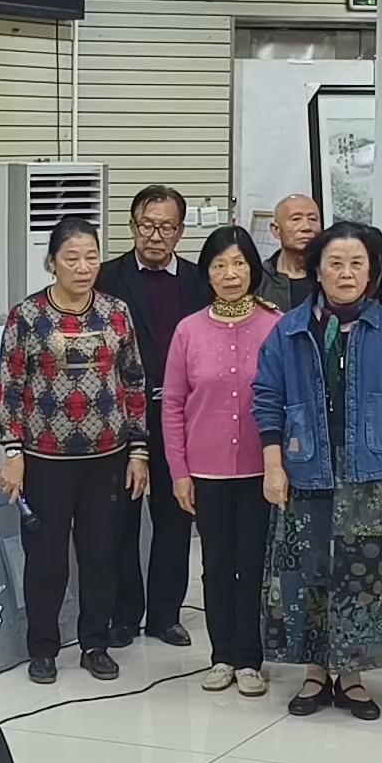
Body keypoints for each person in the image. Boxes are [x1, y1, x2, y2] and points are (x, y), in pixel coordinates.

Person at [255, 221, 382, 720]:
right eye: (335, 263)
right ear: (317, 270)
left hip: (368, 469)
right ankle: (315, 672)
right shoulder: (290, 329)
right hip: (305, 466)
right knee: (307, 573)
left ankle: (351, 676)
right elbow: (267, 398)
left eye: (356, 264)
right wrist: (273, 467)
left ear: (371, 272)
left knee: (363, 575)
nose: (346, 273)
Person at [0, 216, 151, 685]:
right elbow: (10, 386)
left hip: (107, 457)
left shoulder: (116, 312)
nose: (83, 267)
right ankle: (43, 649)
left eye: (91, 257)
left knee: (100, 555)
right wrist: (13, 450)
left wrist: (138, 450)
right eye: (72, 258)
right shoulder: (27, 316)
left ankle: (95, 643)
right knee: (46, 559)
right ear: (51, 262)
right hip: (45, 459)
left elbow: (134, 382)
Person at [164, 226, 280, 697]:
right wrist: (179, 472)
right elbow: (173, 404)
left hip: (260, 469)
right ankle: (222, 656)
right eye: (219, 265)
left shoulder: (276, 325)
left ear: (252, 269)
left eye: (238, 264)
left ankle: (250, 658)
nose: (230, 274)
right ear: (207, 273)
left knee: (253, 565)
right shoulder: (188, 330)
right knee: (215, 565)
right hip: (206, 471)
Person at [98, 186, 210, 650]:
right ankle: (125, 613)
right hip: (123, 418)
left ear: (180, 232)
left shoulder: (200, 280)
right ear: (132, 226)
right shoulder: (107, 278)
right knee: (121, 520)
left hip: (181, 417)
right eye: (146, 225)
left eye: (166, 227)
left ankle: (166, 614)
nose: (155, 235)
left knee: (176, 516)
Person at [259, 193, 322, 310]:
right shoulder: (259, 279)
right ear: (276, 230)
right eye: (296, 219)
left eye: (313, 219)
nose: (306, 227)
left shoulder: (329, 275)